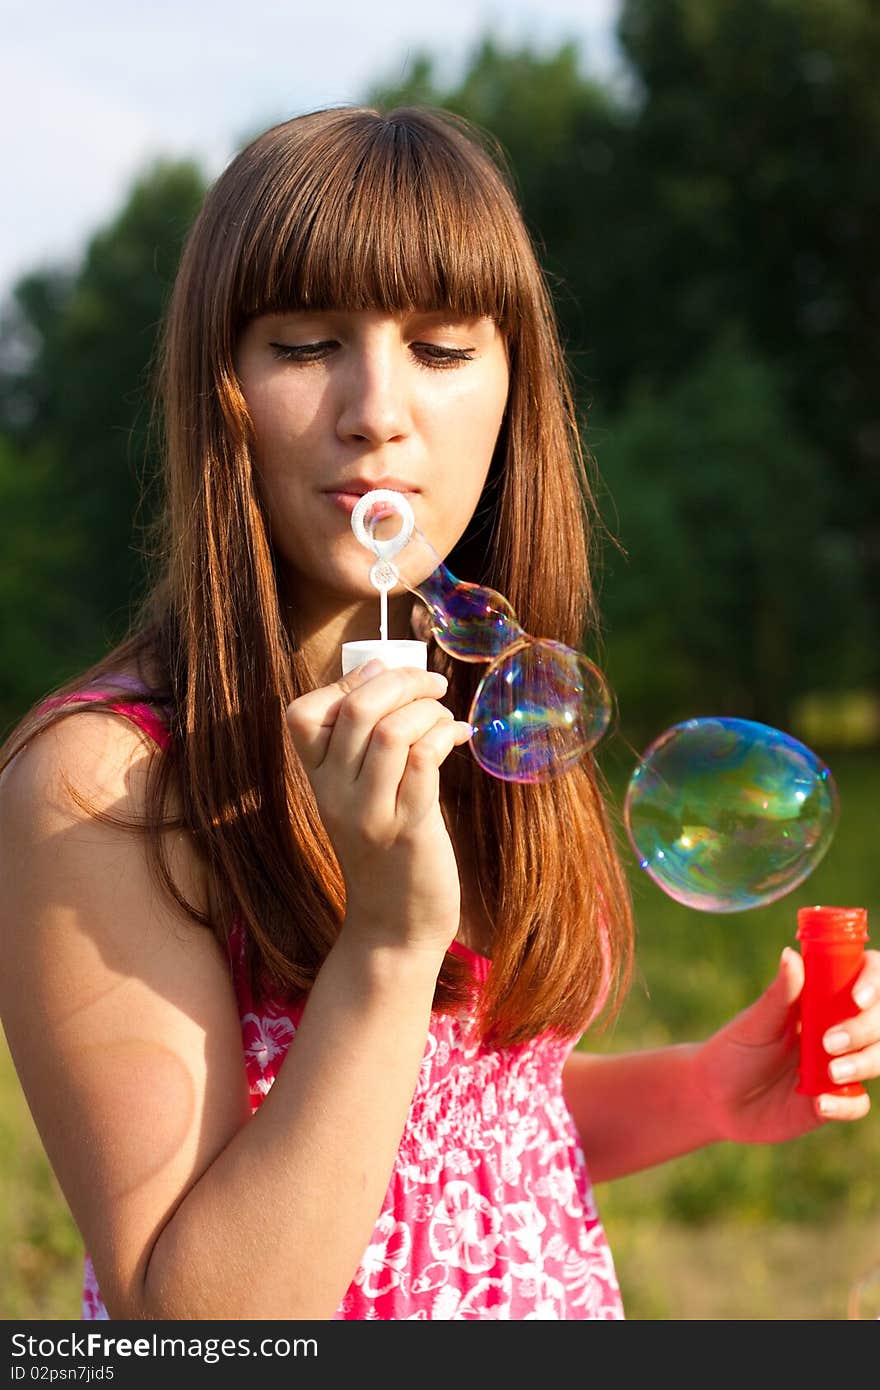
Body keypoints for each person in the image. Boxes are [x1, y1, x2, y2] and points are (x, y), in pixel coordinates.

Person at [0, 105, 877, 1324]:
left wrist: (699, 1093)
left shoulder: (489, 708)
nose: (376, 407)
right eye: (305, 344)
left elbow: (458, 1135)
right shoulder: (110, 783)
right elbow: (193, 1322)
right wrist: (389, 944)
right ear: (223, 392)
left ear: (516, 386)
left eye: (443, 349)